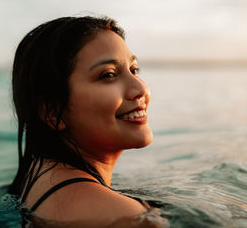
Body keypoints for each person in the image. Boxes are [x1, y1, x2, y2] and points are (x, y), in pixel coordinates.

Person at [9, 15, 158, 225]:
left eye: (134, 70)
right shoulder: (127, 217)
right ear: (52, 111)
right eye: (108, 75)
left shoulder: (37, 180)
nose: (141, 88)